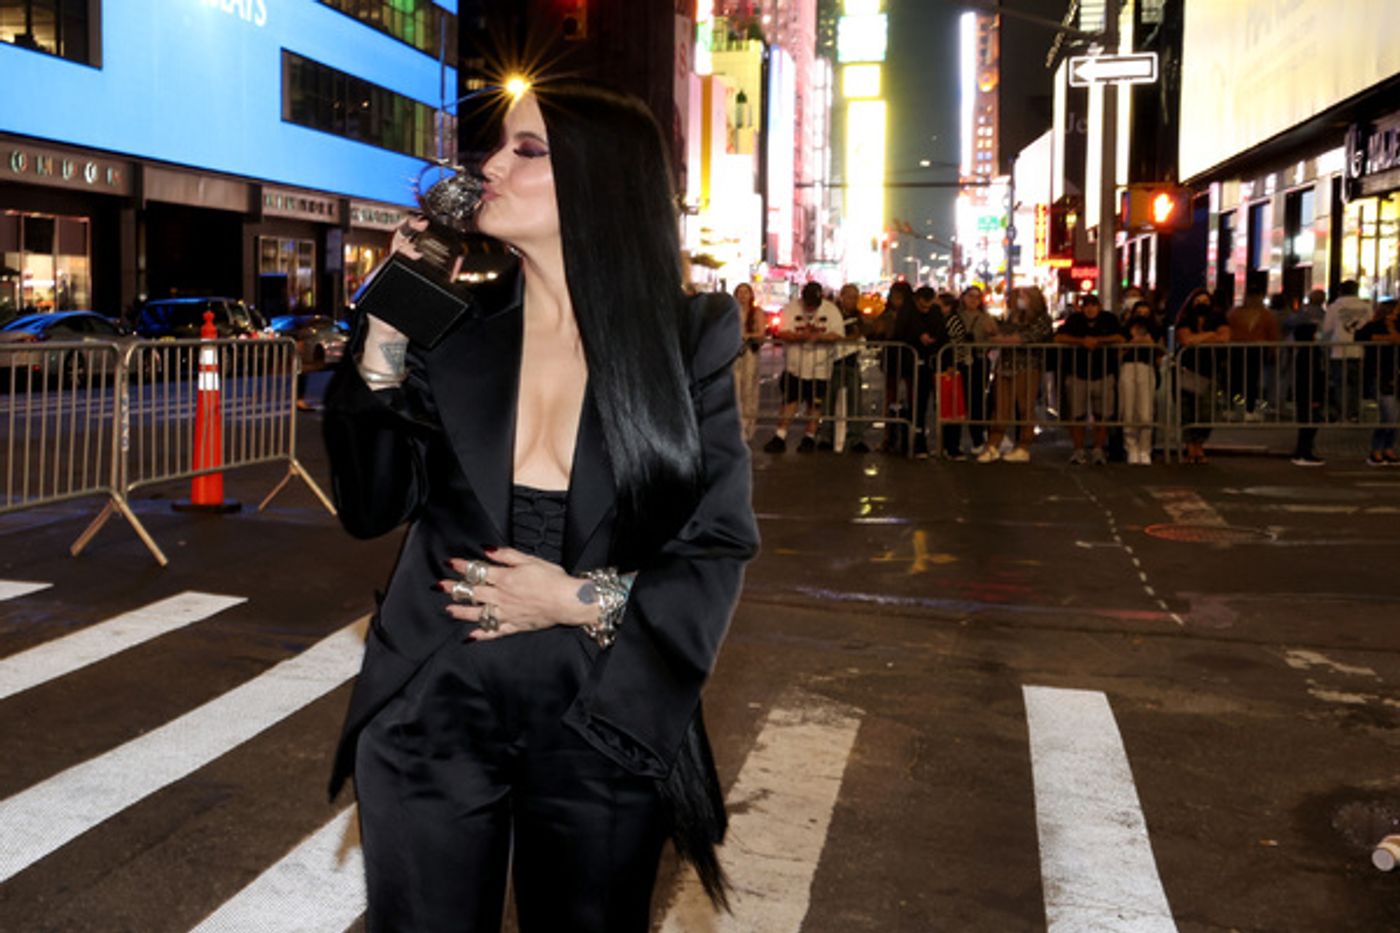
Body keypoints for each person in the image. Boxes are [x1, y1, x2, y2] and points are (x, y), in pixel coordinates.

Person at [322, 83, 760, 931]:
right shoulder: (455, 330)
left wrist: (572, 597)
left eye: (526, 150)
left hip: (601, 706)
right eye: (498, 147)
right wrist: (390, 322)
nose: (489, 166)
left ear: (600, 181)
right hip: (431, 698)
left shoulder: (687, 339)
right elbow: (370, 504)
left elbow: (716, 544)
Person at [765, 281, 844, 452]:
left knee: (815, 404)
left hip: (820, 366)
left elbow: (838, 334)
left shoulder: (831, 310)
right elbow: (782, 332)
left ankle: (810, 436)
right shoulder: (791, 308)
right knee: (790, 400)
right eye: (808, 304)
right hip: (795, 365)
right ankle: (781, 435)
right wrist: (800, 336)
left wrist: (819, 337)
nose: (810, 308)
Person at [979, 285, 1052, 463]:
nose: (1019, 301)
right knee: (1000, 407)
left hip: (1028, 366)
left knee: (1025, 407)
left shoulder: (1042, 319)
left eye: (1022, 297)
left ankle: (1023, 446)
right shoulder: (1012, 316)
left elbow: (1024, 338)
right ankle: (993, 445)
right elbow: (1002, 332)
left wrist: (1000, 339)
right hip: (1005, 365)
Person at [1055, 293, 1122, 464]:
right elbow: (1059, 337)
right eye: (1086, 306)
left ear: (1099, 307)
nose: (1090, 309)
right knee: (1077, 414)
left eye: (1093, 305)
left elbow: (1120, 337)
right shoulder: (1074, 320)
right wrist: (1081, 341)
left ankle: (1098, 449)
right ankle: (1078, 450)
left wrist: (1097, 341)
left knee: (1102, 415)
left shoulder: (1109, 319)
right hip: (1078, 373)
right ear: (1081, 308)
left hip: (1103, 373)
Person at [1175, 288, 1232, 464]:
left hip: (1210, 371)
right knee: (1187, 411)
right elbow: (1186, 340)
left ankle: (1199, 443)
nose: (1202, 304)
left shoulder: (1219, 318)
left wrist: (1198, 337)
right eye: (1198, 301)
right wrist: (1210, 335)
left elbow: (1224, 338)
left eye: (1205, 301)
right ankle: (1190, 447)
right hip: (1188, 370)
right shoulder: (1185, 320)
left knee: (1207, 412)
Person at [818, 282, 871, 452]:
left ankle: (855, 437)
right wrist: (850, 337)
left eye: (855, 297)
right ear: (842, 297)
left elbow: (863, 332)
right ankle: (825, 436)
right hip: (833, 361)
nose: (853, 301)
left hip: (851, 361)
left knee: (855, 402)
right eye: (850, 297)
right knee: (828, 401)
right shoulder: (833, 313)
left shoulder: (858, 316)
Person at [951, 285, 998, 456]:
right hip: (959, 362)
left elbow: (994, 338)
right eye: (970, 296)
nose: (973, 300)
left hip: (979, 361)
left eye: (977, 297)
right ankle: (953, 443)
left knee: (976, 401)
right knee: (958, 401)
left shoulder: (986, 318)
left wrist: (990, 336)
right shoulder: (956, 317)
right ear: (963, 297)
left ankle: (978, 439)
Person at [1119, 298, 1163, 465]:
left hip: (1146, 367)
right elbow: (1119, 353)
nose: (1142, 316)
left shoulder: (1156, 330)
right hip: (1128, 367)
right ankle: (1131, 447)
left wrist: (1151, 344)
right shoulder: (1125, 330)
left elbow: (1161, 353)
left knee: (1145, 412)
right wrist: (1132, 342)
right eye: (1139, 313)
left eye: (1146, 313)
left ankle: (1145, 448)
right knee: (1128, 410)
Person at [1356, 299, 1400, 466]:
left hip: (1394, 374)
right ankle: (1377, 449)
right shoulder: (1373, 326)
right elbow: (1360, 337)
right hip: (1380, 374)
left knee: (1394, 415)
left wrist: (1390, 332)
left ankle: (1387, 448)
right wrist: (1387, 335)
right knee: (1389, 414)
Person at [1321, 280, 1372, 422]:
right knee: (1356, 384)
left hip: (1339, 350)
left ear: (1341, 291)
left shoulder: (1334, 307)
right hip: (1359, 350)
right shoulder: (1366, 307)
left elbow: (1327, 328)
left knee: (1341, 384)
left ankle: (1343, 413)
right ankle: (1354, 413)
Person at [1227, 293, 1279, 420]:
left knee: (1235, 379)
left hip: (1236, 349)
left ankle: (1232, 408)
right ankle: (1249, 410)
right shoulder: (1266, 315)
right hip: (1256, 351)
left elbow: (1228, 331)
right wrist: (1272, 351)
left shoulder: (1235, 313)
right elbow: (1272, 335)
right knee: (1252, 380)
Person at [732, 282, 765, 441]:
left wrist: (748, 335)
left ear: (751, 295)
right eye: (740, 292)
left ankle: (748, 426)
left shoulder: (756, 312)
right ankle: (736, 426)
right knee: (735, 389)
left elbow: (761, 333)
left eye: (746, 292)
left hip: (750, 353)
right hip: (734, 354)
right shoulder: (731, 312)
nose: (743, 295)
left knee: (748, 389)